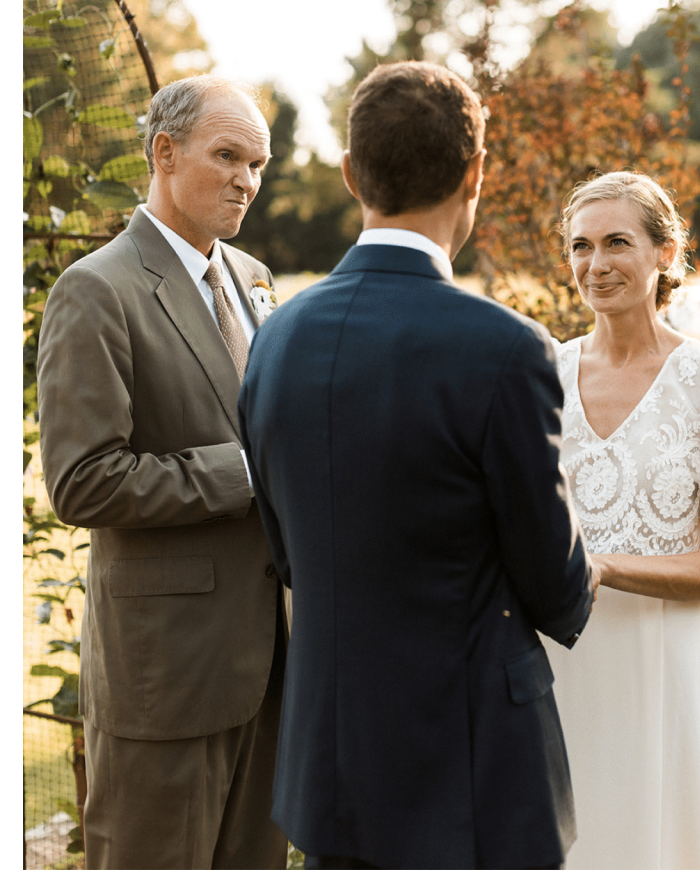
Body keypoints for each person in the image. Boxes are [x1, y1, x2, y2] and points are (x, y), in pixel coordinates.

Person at [236, 61, 593, 869]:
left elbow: (288, 553)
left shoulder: (275, 339)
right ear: (476, 173)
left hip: (330, 760)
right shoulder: (505, 346)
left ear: (351, 173)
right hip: (471, 767)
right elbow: (553, 580)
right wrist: (588, 573)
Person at [37, 75, 286, 869]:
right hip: (167, 676)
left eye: (259, 162)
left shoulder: (253, 280)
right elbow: (83, 480)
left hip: (276, 663)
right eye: (228, 156)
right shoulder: (95, 290)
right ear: (165, 152)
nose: (248, 179)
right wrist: (249, 471)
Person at [542, 170, 700, 869]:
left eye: (617, 242)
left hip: (667, 663)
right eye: (581, 246)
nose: (596, 264)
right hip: (563, 660)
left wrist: (601, 567)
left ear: (666, 252)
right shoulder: (543, 371)